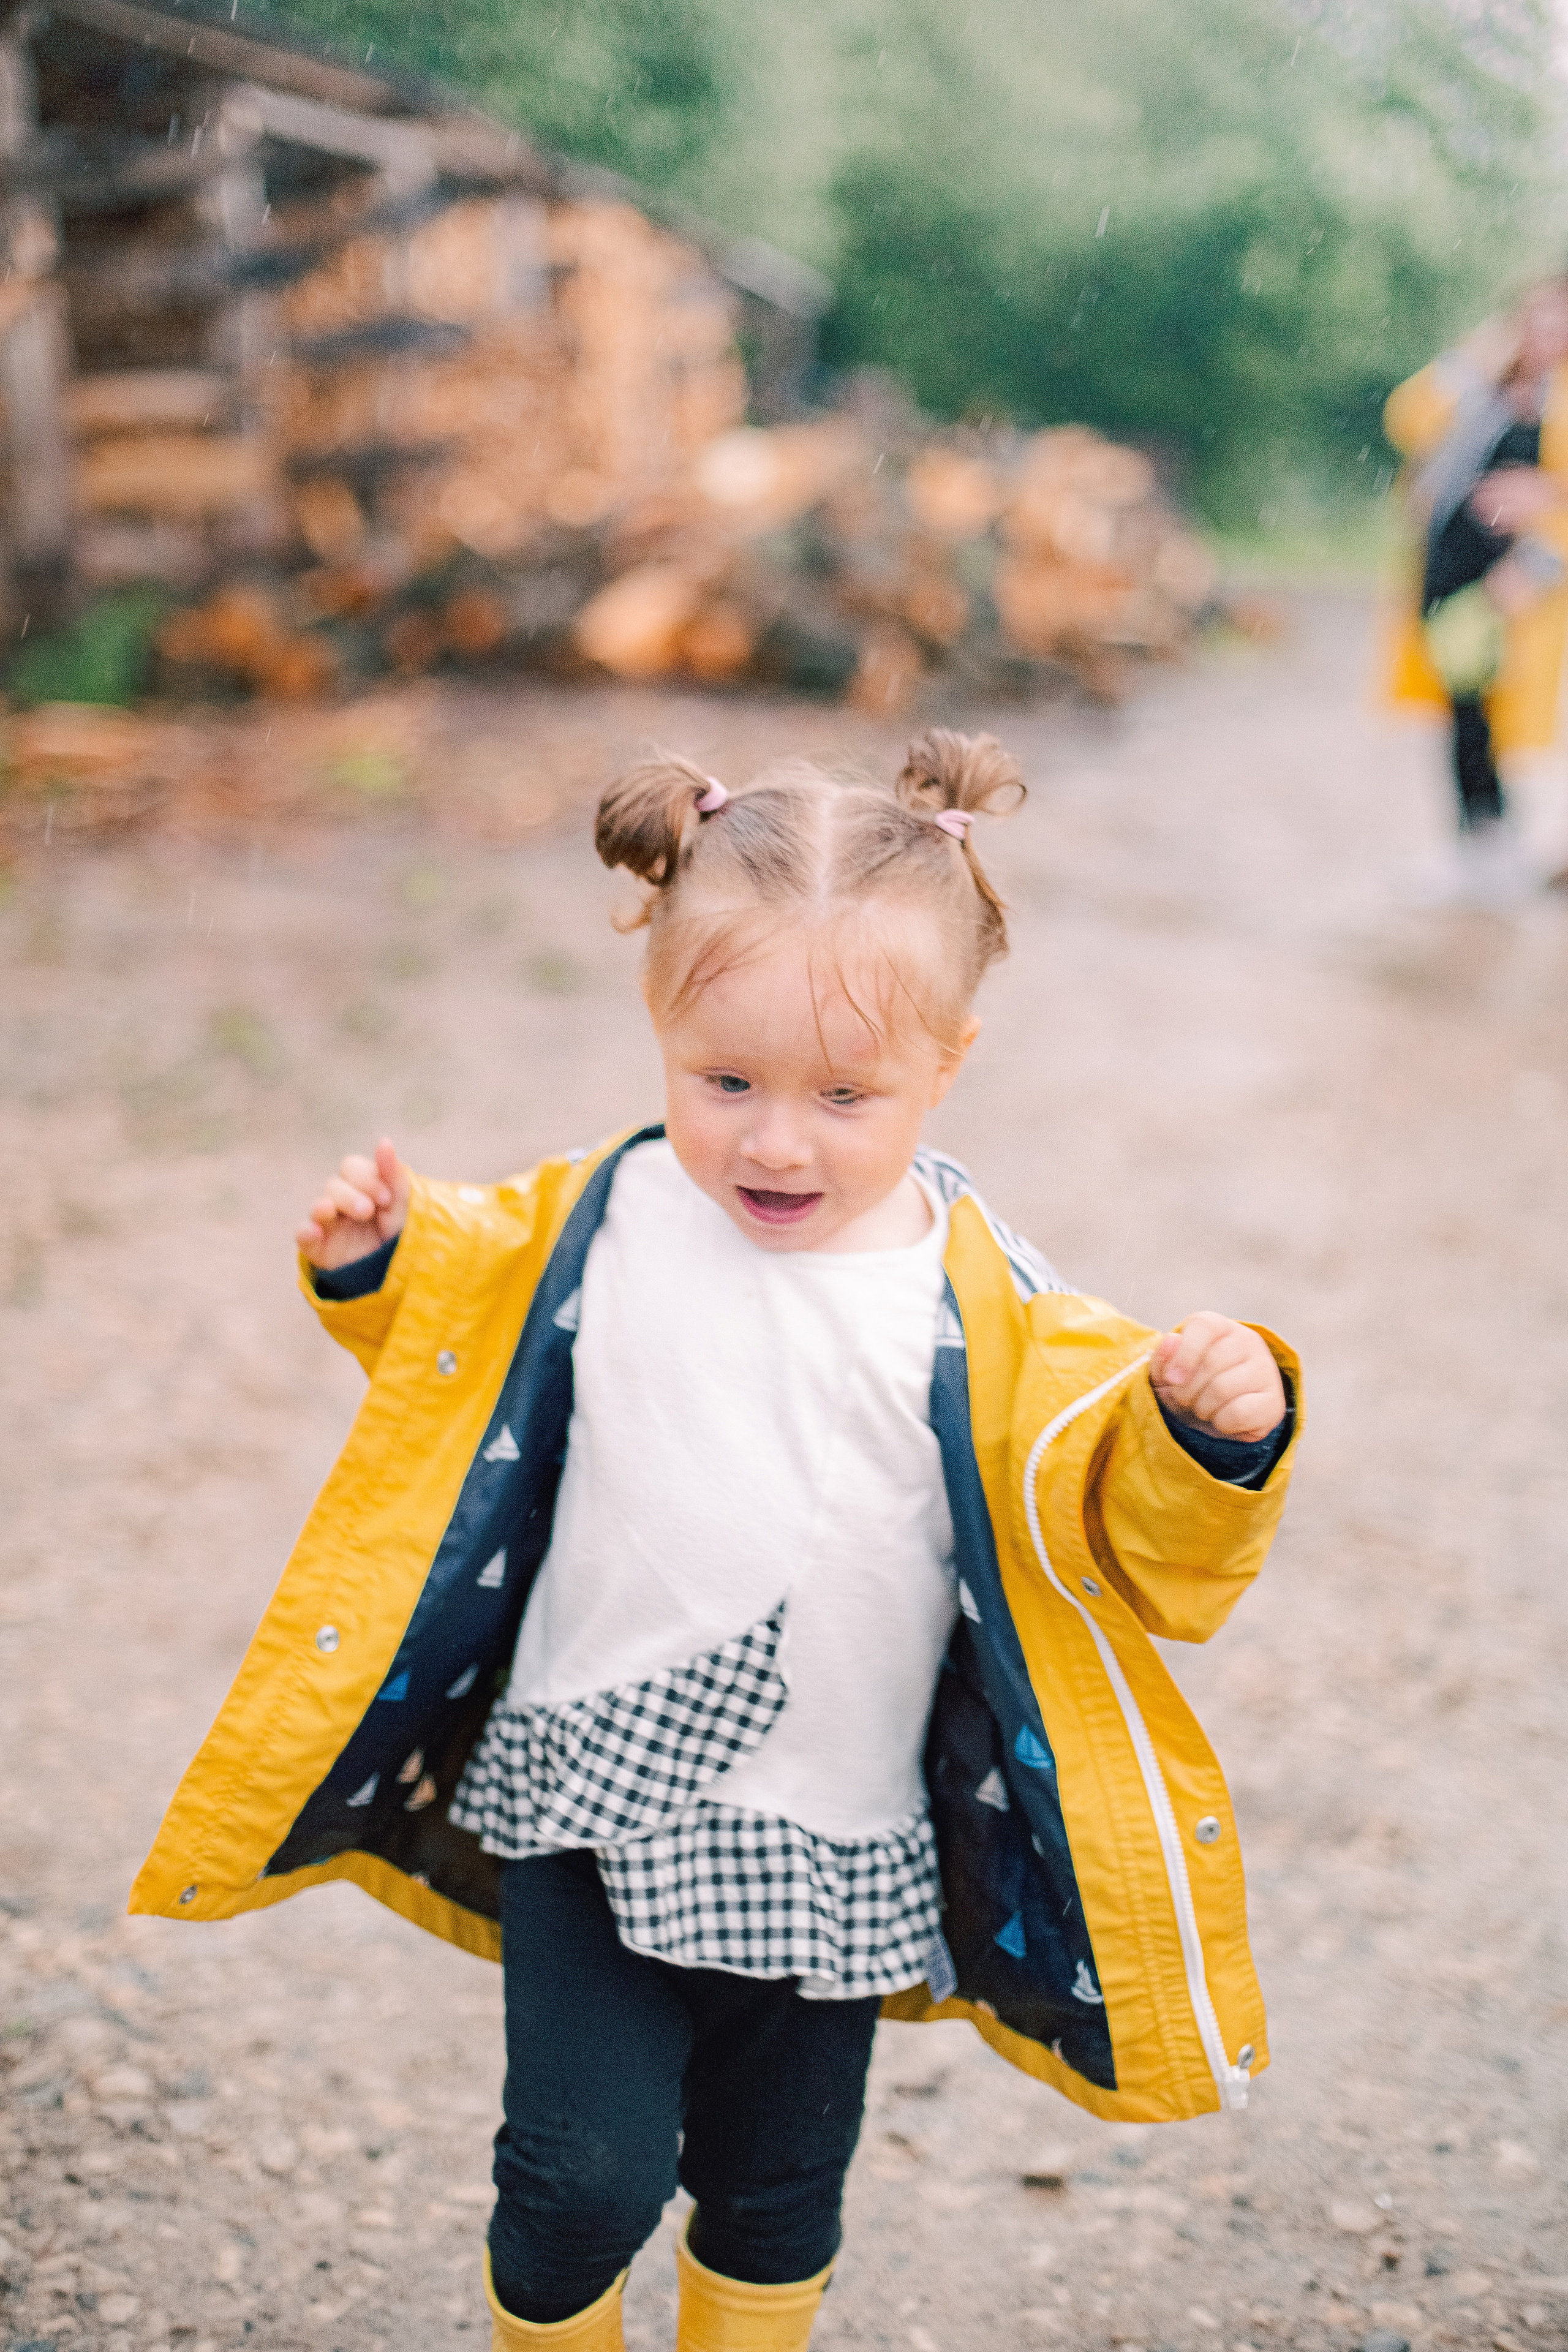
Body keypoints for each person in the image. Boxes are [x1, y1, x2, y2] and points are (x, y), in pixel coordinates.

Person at [132, 733, 1300, 2352]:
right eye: (726, 1081)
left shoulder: (1000, 1308)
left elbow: (1125, 1514)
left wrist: (1211, 1434)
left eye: (844, 1095)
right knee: (579, 2180)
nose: (775, 1142)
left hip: (830, 1828)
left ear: (946, 1066)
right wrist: (378, 1263)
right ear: (662, 1025)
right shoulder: (599, 1215)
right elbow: (462, 1331)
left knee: (771, 2191)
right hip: (583, 1797)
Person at [1384, 277, 1568, 901]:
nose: (1547, 335)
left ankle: (1498, 841)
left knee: (1493, 714)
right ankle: (1478, 840)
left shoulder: (1561, 402)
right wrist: (1467, 360)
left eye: (1559, 323)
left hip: (1515, 582)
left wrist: (1537, 559)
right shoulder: (1482, 387)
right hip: (1448, 569)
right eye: (1536, 321)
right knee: (1461, 709)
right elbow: (1405, 419)